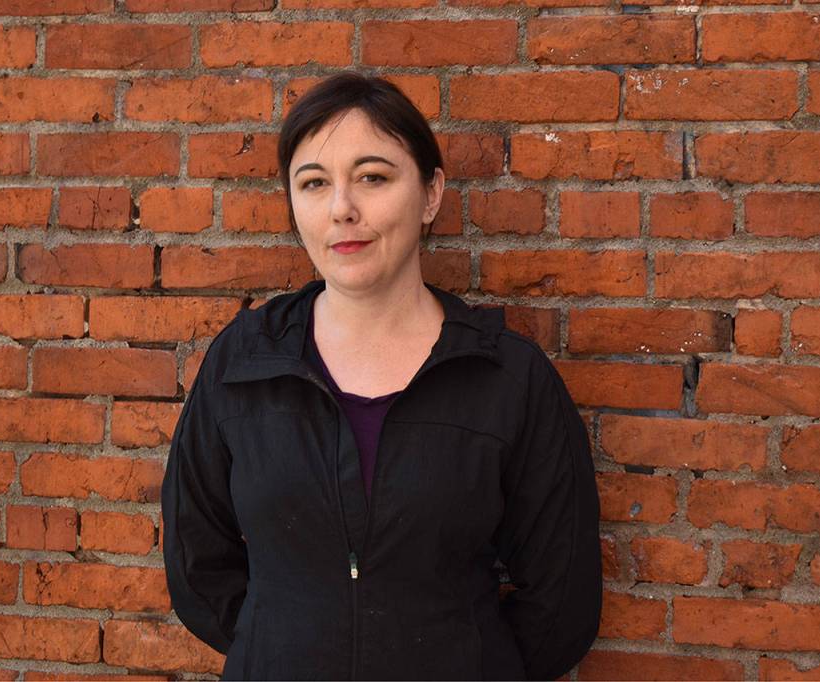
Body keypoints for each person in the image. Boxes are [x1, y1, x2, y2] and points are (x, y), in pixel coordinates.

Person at [161, 71, 602, 681]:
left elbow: (562, 599)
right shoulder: (243, 366)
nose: (342, 208)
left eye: (372, 177)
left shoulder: (509, 379)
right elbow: (195, 562)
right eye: (314, 183)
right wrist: (280, 645)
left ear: (430, 194)